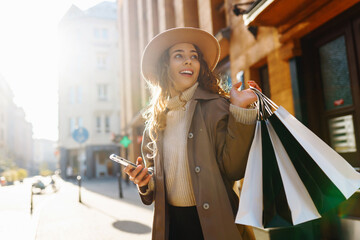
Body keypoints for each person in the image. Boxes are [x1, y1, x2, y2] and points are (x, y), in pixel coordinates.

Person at [124, 27, 261, 240]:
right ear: (165, 66)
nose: (188, 61)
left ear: (200, 66)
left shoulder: (217, 106)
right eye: (179, 55)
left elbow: (234, 169)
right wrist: (144, 182)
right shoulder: (155, 120)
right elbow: (153, 183)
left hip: (217, 224)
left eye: (194, 56)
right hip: (172, 227)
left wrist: (241, 111)